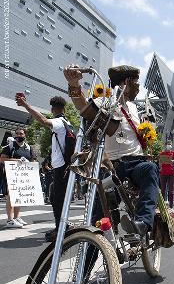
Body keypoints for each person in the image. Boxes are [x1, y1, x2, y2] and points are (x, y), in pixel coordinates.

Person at [64, 63, 159, 236]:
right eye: (137, 83)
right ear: (127, 82)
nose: (139, 88)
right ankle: (90, 258)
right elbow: (83, 107)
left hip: (138, 163)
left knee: (150, 169)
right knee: (99, 217)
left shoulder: (132, 107)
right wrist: (74, 85)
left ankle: (143, 224)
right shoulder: (106, 100)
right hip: (112, 166)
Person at [16, 95, 71, 241]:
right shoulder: (67, 122)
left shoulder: (59, 122)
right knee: (56, 197)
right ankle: (61, 226)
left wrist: (26, 106)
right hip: (64, 167)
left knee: (57, 198)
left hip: (61, 168)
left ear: (53, 109)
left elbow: (43, 121)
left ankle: (61, 229)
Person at [0, 129, 36, 228]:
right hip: (12, 175)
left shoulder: (29, 148)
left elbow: (33, 160)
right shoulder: (10, 147)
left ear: (25, 135)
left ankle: (16, 217)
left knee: (19, 197)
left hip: (23, 176)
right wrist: (17, 160)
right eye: (17, 134)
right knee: (11, 197)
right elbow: (2, 159)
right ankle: (10, 220)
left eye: (21, 133)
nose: (19, 135)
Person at [159, 141, 174, 208]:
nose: (168, 146)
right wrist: (160, 167)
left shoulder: (173, 153)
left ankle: (171, 206)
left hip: (171, 173)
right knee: (163, 190)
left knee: (171, 190)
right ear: (165, 145)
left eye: (170, 144)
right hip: (163, 173)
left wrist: (173, 161)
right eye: (167, 144)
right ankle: (162, 206)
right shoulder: (162, 154)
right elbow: (160, 163)